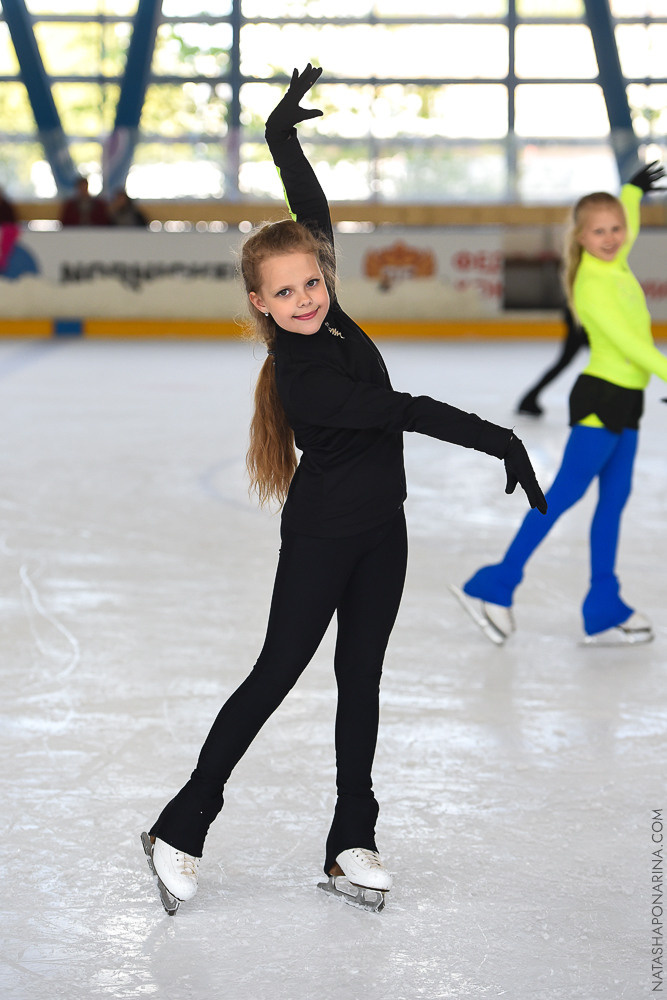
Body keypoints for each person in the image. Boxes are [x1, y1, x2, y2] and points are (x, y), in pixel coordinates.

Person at [141, 65, 546, 916]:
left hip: (381, 533)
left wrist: (281, 136)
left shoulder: (330, 309)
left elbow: (308, 213)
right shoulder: (305, 376)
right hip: (324, 537)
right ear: (259, 304)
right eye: (282, 293)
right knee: (275, 675)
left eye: (311, 283)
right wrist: (500, 438)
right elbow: (405, 409)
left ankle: (348, 840)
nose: (302, 298)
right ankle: (180, 824)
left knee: (360, 679)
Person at [453, 161, 667, 647]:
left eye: (616, 229)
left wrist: (631, 191)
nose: (611, 238)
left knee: (612, 504)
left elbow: (625, 221)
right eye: (599, 231)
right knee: (563, 496)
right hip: (600, 400)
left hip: (628, 401)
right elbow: (632, 345)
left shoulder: (617, 260)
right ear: (581, 237)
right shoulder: (592, 283)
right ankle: (497, 583)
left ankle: (603, 604)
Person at [516, 304, 588, 416]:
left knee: (563, 363)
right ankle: (528, 399)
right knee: (564, 362)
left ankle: (529, 399)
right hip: (583, 322)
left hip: (580, 319)